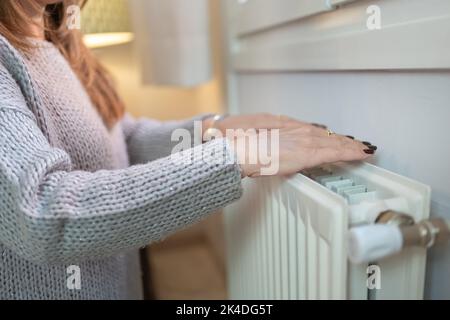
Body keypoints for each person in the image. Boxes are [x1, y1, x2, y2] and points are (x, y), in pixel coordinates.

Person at [0, 0, 377, 300]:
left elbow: (122, 142)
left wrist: (209, 131)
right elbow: (40, 213)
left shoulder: (60, 43)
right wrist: (235, 155)